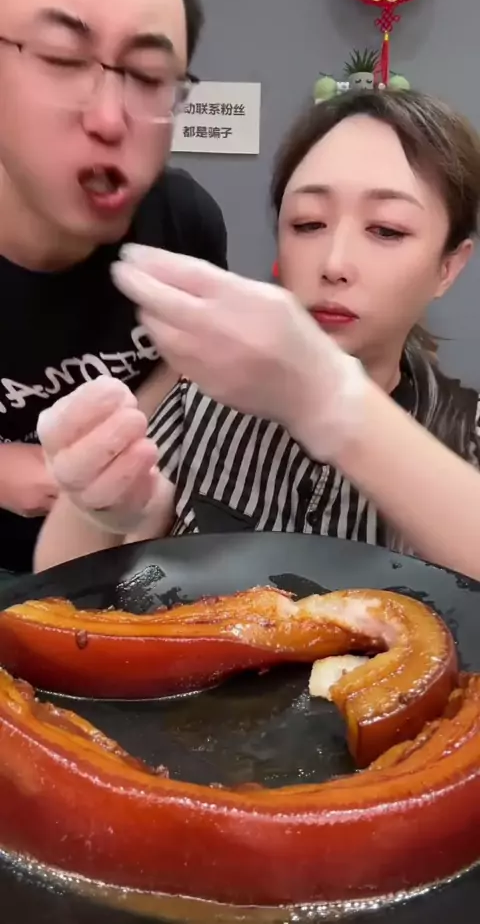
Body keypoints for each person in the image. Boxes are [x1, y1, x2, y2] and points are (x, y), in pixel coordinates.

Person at [35, 89, 480, 579]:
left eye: (387, 230)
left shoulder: (467, 431)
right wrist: (99, 512)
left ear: (448, 267)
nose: (334, 264)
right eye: (308, 224)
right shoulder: (200, 400)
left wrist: (331, 403)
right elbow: (62, 582)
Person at [0, 0, 227, 574]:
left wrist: (116, 444)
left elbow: (180, 357)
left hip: (115, 566)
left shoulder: (184, 223)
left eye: (149, 77)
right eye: (60, 58)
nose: (109, 119)